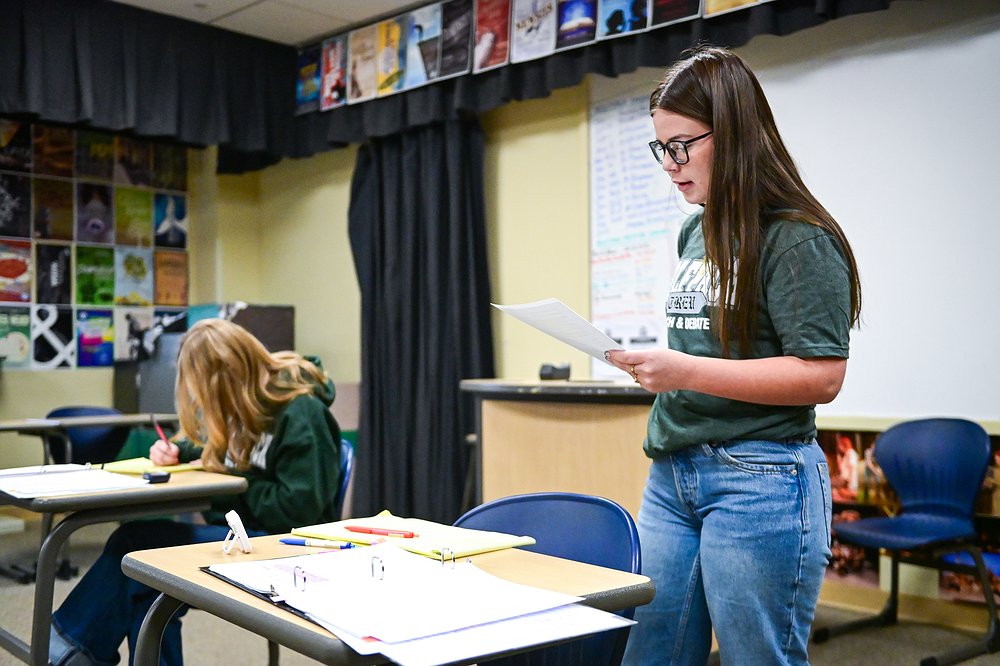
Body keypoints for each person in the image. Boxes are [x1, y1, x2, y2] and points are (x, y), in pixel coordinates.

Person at [606, 45, 862, 665]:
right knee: (651, 653)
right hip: (674, 470)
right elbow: (708, 346)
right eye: (660, 148)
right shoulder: (694, 231)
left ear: (736, 134)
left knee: (756, 657)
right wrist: (664, 369)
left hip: (759, 476)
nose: (670, 166)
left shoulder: (797, 238)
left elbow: (822, 376)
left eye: (681, 146)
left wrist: (683, 370)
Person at [49, 318, 343, 666]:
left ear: (228, 376)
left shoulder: (301, 412)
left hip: (286, 549)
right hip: (247, 536)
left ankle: (67, 650)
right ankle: (70, 652)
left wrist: (232, 481)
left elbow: (300, 509)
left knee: (136, 547)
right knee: (145, 576)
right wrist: (177, 451)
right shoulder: (249, 404)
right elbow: (218, 450)